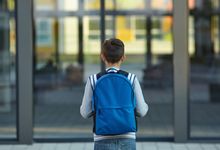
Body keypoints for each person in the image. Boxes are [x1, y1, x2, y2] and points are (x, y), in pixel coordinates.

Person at [80, 38, 148, 150]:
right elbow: (142, 111)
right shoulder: (131, 79)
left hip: (102, 138)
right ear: (123, 57)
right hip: (127, 137)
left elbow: (85, 113)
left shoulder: (93, 80)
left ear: (102, 56)